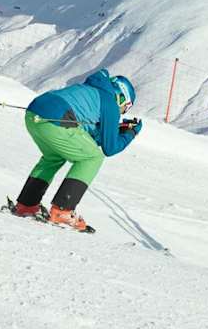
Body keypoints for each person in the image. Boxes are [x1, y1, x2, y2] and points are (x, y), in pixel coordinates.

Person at [9, 69, 142, 232]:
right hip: (57, 119)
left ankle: (26, 205)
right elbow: (110, 148)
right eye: (125, 108)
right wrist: (131, 132)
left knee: (53, 157)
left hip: (34, 114)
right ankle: (62, 211)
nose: (121, 113)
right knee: (92, 158)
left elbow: (85, 135)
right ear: (121, 97)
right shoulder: (110, 102)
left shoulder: (94, 89)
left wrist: (112, 130)